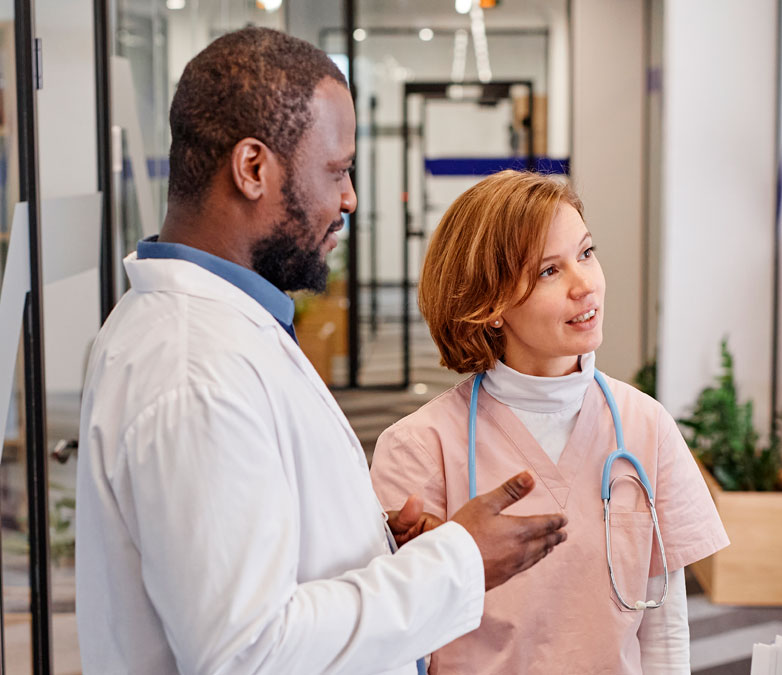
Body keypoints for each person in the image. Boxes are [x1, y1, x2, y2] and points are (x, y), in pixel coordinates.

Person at [75, 28, 567, 675]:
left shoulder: (222, 332)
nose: (350, 197)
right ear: (253, 169)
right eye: (337, 170)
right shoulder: (194, 373)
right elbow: (249, 653)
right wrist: (458, 563)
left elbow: (248, 569)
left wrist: (367, 541)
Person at [369, 170, 729, 674]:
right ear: (490, 305)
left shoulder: (645, 427)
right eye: (548, 271)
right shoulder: (419, 447)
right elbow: (394, 642)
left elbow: (663, 624)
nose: (586, 285)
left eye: (585, 253)